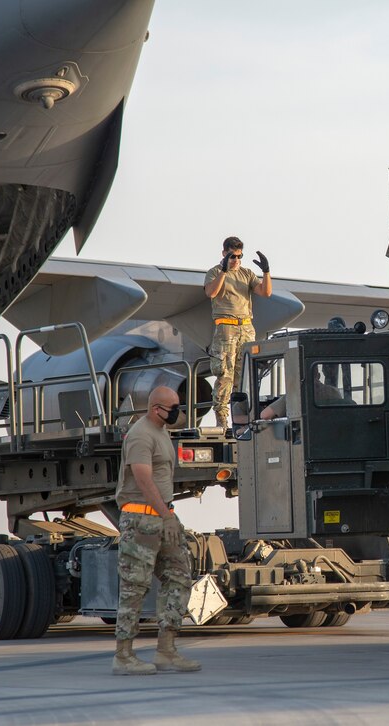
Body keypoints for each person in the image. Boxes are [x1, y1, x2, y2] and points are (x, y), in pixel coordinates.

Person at [112, 386, 200, 676]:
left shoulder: (161, 431)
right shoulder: (140, 435)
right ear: (155, 408)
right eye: (172, 407)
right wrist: (166, 515)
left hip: (163, 519)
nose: (177, 411)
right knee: (134, 588)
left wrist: (168, 517)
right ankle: (123, 656)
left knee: (179, 577)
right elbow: (142, 478)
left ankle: (166, 651)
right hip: (140, 520)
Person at [203, 236, 272, 431]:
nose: (236, 260)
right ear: (224, 253)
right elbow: (211, 292)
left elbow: (265, 292)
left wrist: (266, 272)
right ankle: (222, 420)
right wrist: (224, 271)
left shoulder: (246, 273)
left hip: (246, 327)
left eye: (239, 256)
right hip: (226, 327)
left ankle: (241, 420)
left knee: (244, 377)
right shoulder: (215, 272)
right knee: (225, 374)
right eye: (232, 256)